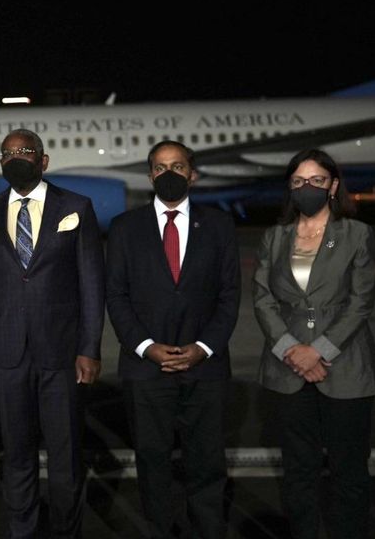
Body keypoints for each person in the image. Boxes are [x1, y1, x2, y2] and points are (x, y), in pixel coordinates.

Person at [0, 128, 105, 538]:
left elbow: (91, 285)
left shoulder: (76, 206)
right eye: (8, 153)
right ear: (0, 163)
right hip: (6, 355)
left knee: (65, 457)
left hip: (62, 355)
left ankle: (66, 532)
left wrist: (90, 347)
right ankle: (22, 531)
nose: (16, 158)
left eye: (25, 151)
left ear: (43, 161)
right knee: (17, 455)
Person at [105, 141, 240, 539]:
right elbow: (117, 296)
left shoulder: (218, 225)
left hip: (207, 368)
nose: (169, 174)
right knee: (152, 463)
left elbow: (229, 295)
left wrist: (203, 348)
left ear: (192, 173)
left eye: (177, 166)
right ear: (149, 175)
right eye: (160, 167)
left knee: (208, 464)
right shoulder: (125, 228)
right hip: (146, 370)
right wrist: (146, 347)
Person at [253, 149, 375, 539]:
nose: (307, 187)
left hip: (344, 366)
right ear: (290, 189)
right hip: (287, 367)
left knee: (349, 470)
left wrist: (318, 350)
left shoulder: (356, 234)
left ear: (333, 185)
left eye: (316, 180)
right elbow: (262, 298)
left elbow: (361, 302)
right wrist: (292, 348)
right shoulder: (275, 237)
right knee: (298, 471)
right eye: (298, 182)